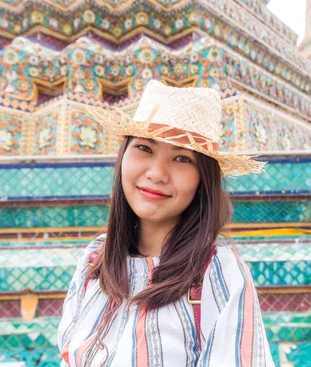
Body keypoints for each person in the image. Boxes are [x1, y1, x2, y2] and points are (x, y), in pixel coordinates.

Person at [57, 80, 275, 367]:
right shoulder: (95, 259)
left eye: (181, 158)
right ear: (123, 156)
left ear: (202, 180)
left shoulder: (219, 273)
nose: (157, 173)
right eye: (145, 148)